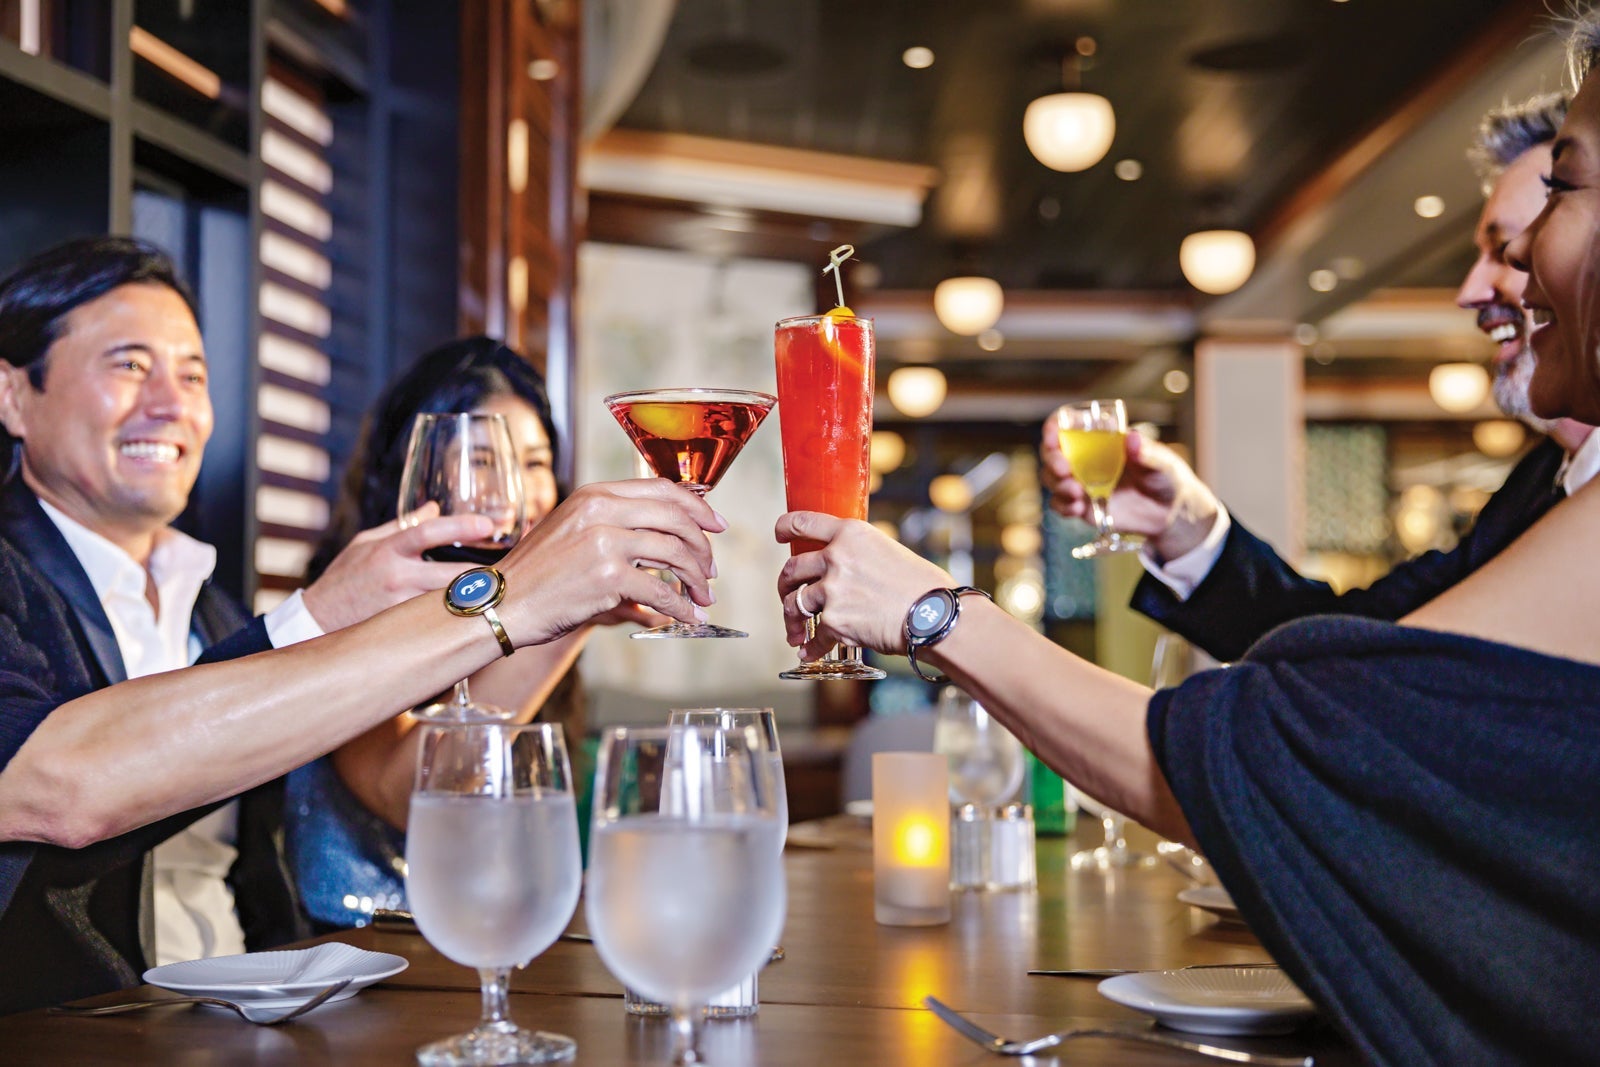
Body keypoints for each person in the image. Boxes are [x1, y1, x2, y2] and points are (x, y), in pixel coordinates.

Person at [772, 24, 1600, 1061]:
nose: (1502, 278)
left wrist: (934, 613)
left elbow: (1301, 735)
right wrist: (1189, 532)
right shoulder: (1550, 493)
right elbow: (1367, 671)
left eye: (1555, 200)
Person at [0, 238, 722, 1013]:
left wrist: (552, 613)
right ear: (13, 396)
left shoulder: (212, 606)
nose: (172, 403)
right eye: (130, 365)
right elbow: (61, 784)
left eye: (193, 374)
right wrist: (501, 602)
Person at [1039, 92, 1600, 664]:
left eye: (1506, 251)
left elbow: (1379, 684)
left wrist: (956, 623)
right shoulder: (1538, 482)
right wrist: (1182, 521)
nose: (1469, 291)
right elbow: (1354, 642)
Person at [286, 337, 652, 928]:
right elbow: (411, 796)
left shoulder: (523, 617)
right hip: (358, 962)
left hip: (486, 951)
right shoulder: (347, 606)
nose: (520, 493)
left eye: (533, 463)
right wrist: (567, 616)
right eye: (484, 462)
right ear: (414, 469)